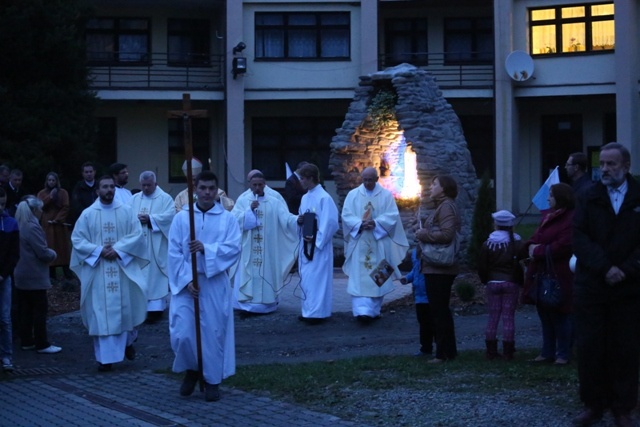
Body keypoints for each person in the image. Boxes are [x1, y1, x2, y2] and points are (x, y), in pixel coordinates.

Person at [572, 142, 640, 427]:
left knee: (625, 348)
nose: (606, 169)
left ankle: (622, 407)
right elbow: (579, 235)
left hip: (629, 286)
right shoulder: (588, 196)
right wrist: (604, 267)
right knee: (591, 347)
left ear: (626, 166)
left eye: (611, 164)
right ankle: (593, 404)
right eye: (602, 164)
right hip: (593, 286)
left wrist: (625, 269)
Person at [168, 171, 241, 402]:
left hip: (213, 282)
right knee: (182, 333)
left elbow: (233, 249)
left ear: (217, 190)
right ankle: (192, 368)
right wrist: (186, 280)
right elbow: (174, 253)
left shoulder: (227, 219)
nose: (207, 193)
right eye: (203, 188)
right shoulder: (182, 218)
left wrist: (206, 249)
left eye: (211, 188)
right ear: (195, 190)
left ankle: (212, 380)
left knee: (213, 333)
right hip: (187, 284)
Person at [70, 175, 148, 372]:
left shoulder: (126, 212)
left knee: (124, 311)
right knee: (100, 315)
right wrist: (99, 251)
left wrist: (119, 250)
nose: (109, 190)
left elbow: (137, 235)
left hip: (121, 270)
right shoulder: (88, 214)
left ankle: (126, 344)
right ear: (97, 191)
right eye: (105, 187)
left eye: (111, 187)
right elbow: (77, 239)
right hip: (98, 271)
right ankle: (104, 360)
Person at [341, 167, 408, 322]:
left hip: (379, 241)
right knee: (359, 277)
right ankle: (360, 312)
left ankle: (374, 310)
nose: (367, 182)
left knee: (379, 274)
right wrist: (359, 224)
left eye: (370, 179)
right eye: (365, 179)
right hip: (360, 242)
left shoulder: (386, 195)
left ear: (377, 179)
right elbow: (346, 215)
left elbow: (392, 215)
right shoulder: (353, 195)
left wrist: (376, 224)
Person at [231, 171, 298, 315]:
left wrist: (297, 220)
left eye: (260, 185)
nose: (257, 188)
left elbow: (286, 219)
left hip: (267, 249)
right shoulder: (243, 200)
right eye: (254, 185)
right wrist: (249, 212)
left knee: (267, 272)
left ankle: (267, 304)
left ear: (264, 184)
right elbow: (234, 220)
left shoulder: (274, 201)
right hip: (248, 247)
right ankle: (246, 304)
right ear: (249, 185)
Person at [522, 183, 575, 366]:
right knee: (545, 313)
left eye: (551, 195)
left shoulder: (570, 219)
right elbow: (537, 236)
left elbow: (564, 245)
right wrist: (530, 245)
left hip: (559, 274)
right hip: (542, 272)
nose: (547, 198)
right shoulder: (548, 217)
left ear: (560, 198)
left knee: (560, 315)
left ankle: (563, 353)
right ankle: (547, 352)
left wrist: (537, 251)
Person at [415, 175, 461, 363]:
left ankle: (443, 353)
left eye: (435, 184)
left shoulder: (447, 207)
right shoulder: (443, 206)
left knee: (439, 311)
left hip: (439, 268)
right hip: (435, 267)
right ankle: (448, 351)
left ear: (444, 188)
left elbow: (447, 234)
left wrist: (424, 234)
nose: (431, 187)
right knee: (440, 310)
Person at [13, 196, 61, 354]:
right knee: (40, 309)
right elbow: (42, 252)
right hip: (34, 274)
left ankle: (27, 340)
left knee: (25, 309)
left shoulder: (18, 223)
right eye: (40, 209)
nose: (42, 212)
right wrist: (53, 254)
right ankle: (42, 343)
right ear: (34, 210)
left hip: (20, 273)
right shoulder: (32, 226)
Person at [128, 171, 175, 323]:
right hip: (138, 245)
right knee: (140, 275)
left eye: (149, 185)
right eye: (143, 185)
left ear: (155, 183)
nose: (146, 188)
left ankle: (156, 309)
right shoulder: (134, 199)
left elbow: (170, 217)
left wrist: (151, 219)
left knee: (155, 276)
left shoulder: (165, 199)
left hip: (156, 245)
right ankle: (140, 307)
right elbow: (127, 217)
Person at [295, 163, 339, 324]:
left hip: (319, 248)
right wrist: (299, 221)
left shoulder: (324, 198)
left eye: (302, 178)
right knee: (307, 279)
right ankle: (308, 310)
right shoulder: (305, 197)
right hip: (306, 246)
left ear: (311, 178)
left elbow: (331, 223)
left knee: (318, 279)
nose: (300, 181)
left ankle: (318, 313)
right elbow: (302, 216)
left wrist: (317, 239)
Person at [477, 210, 523, 360]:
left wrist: (486, 280)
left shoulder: (488, 243)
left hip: (493, 283)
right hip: (511, 283)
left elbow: (482, 266)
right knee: (508, 317)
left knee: (493, 317)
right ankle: (508, 351)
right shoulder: (516, 242)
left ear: (496, 224)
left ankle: (491, 351)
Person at [37, 172, 73, 280]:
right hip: (47, 224)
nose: (51, 182)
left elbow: (66, 207)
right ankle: (51, 274)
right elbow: (39, 206)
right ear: (47, 181)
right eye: (49, 180)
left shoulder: (63, 192)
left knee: (62, 248)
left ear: (57, 181)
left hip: (59, 224)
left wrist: (58, 219)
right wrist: (50, 197)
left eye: (53, 180)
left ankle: (67, 273)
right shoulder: (42, 193)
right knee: (50, 246)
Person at [400, 245, 434, 356]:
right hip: (419, 295)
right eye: (415, 232)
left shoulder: (431, 250)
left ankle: (441, 348)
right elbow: (415, 270)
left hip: (430, 293)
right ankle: (425, 348)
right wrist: (407, 278)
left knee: (433, 322)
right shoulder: (415, 252)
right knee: (423, 323)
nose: (416, 234)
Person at [0, 188, 19, 371]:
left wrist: (3, 274)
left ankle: (6, 355)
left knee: (5, 318)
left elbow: (14, 254)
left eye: (3, 204)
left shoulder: (11, 224)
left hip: (3, 277)